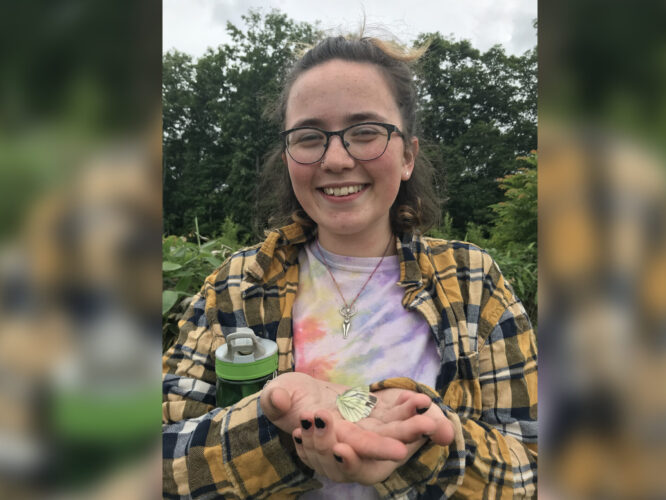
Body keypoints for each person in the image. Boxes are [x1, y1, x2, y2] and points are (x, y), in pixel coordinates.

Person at [162, 33, 537, 499]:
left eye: (365, 133)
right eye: (309, 137)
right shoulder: (236, 286)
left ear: (407, 156)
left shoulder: (473, 282)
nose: (336, 159)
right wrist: (273, 428)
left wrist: (424, 445)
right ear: (289, 157)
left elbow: (531, 466)